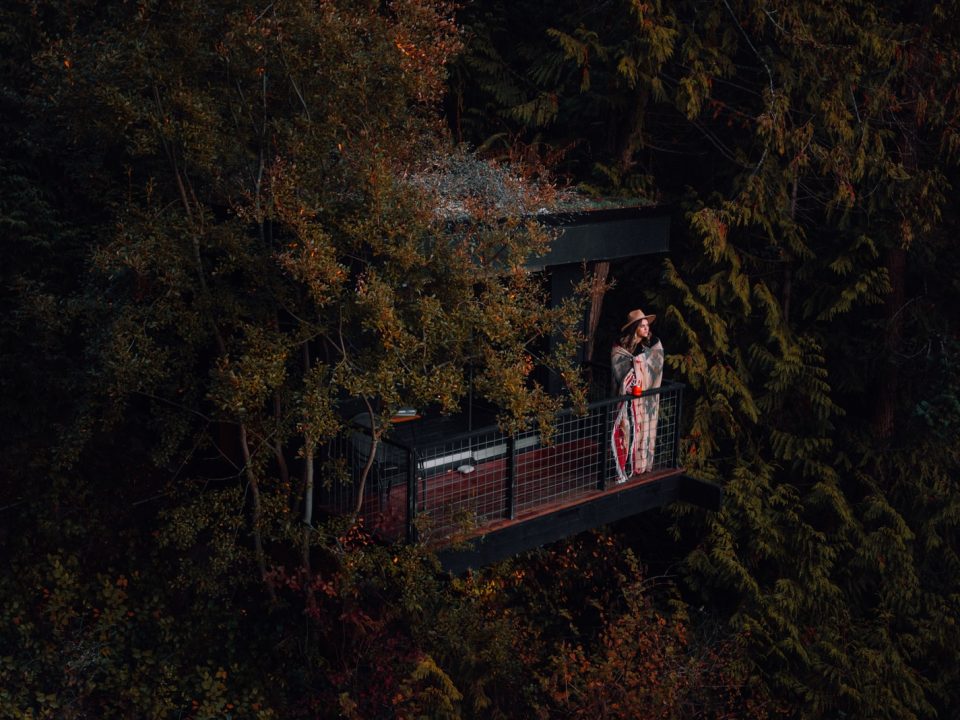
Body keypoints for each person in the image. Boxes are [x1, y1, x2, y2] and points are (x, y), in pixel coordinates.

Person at [610, 309, 664, 482]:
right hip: (626, 401)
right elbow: (618, 366)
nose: (646, 329)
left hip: (645, 400)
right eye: (642, 326)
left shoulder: (653, 345)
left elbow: (656, 366)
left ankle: (640, 464)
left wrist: (639, 364)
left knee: (644, 431)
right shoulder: (621, 348)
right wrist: (635, 365)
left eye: (647, 326)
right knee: (625, 431)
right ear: (634, 328)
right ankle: (625, 465)